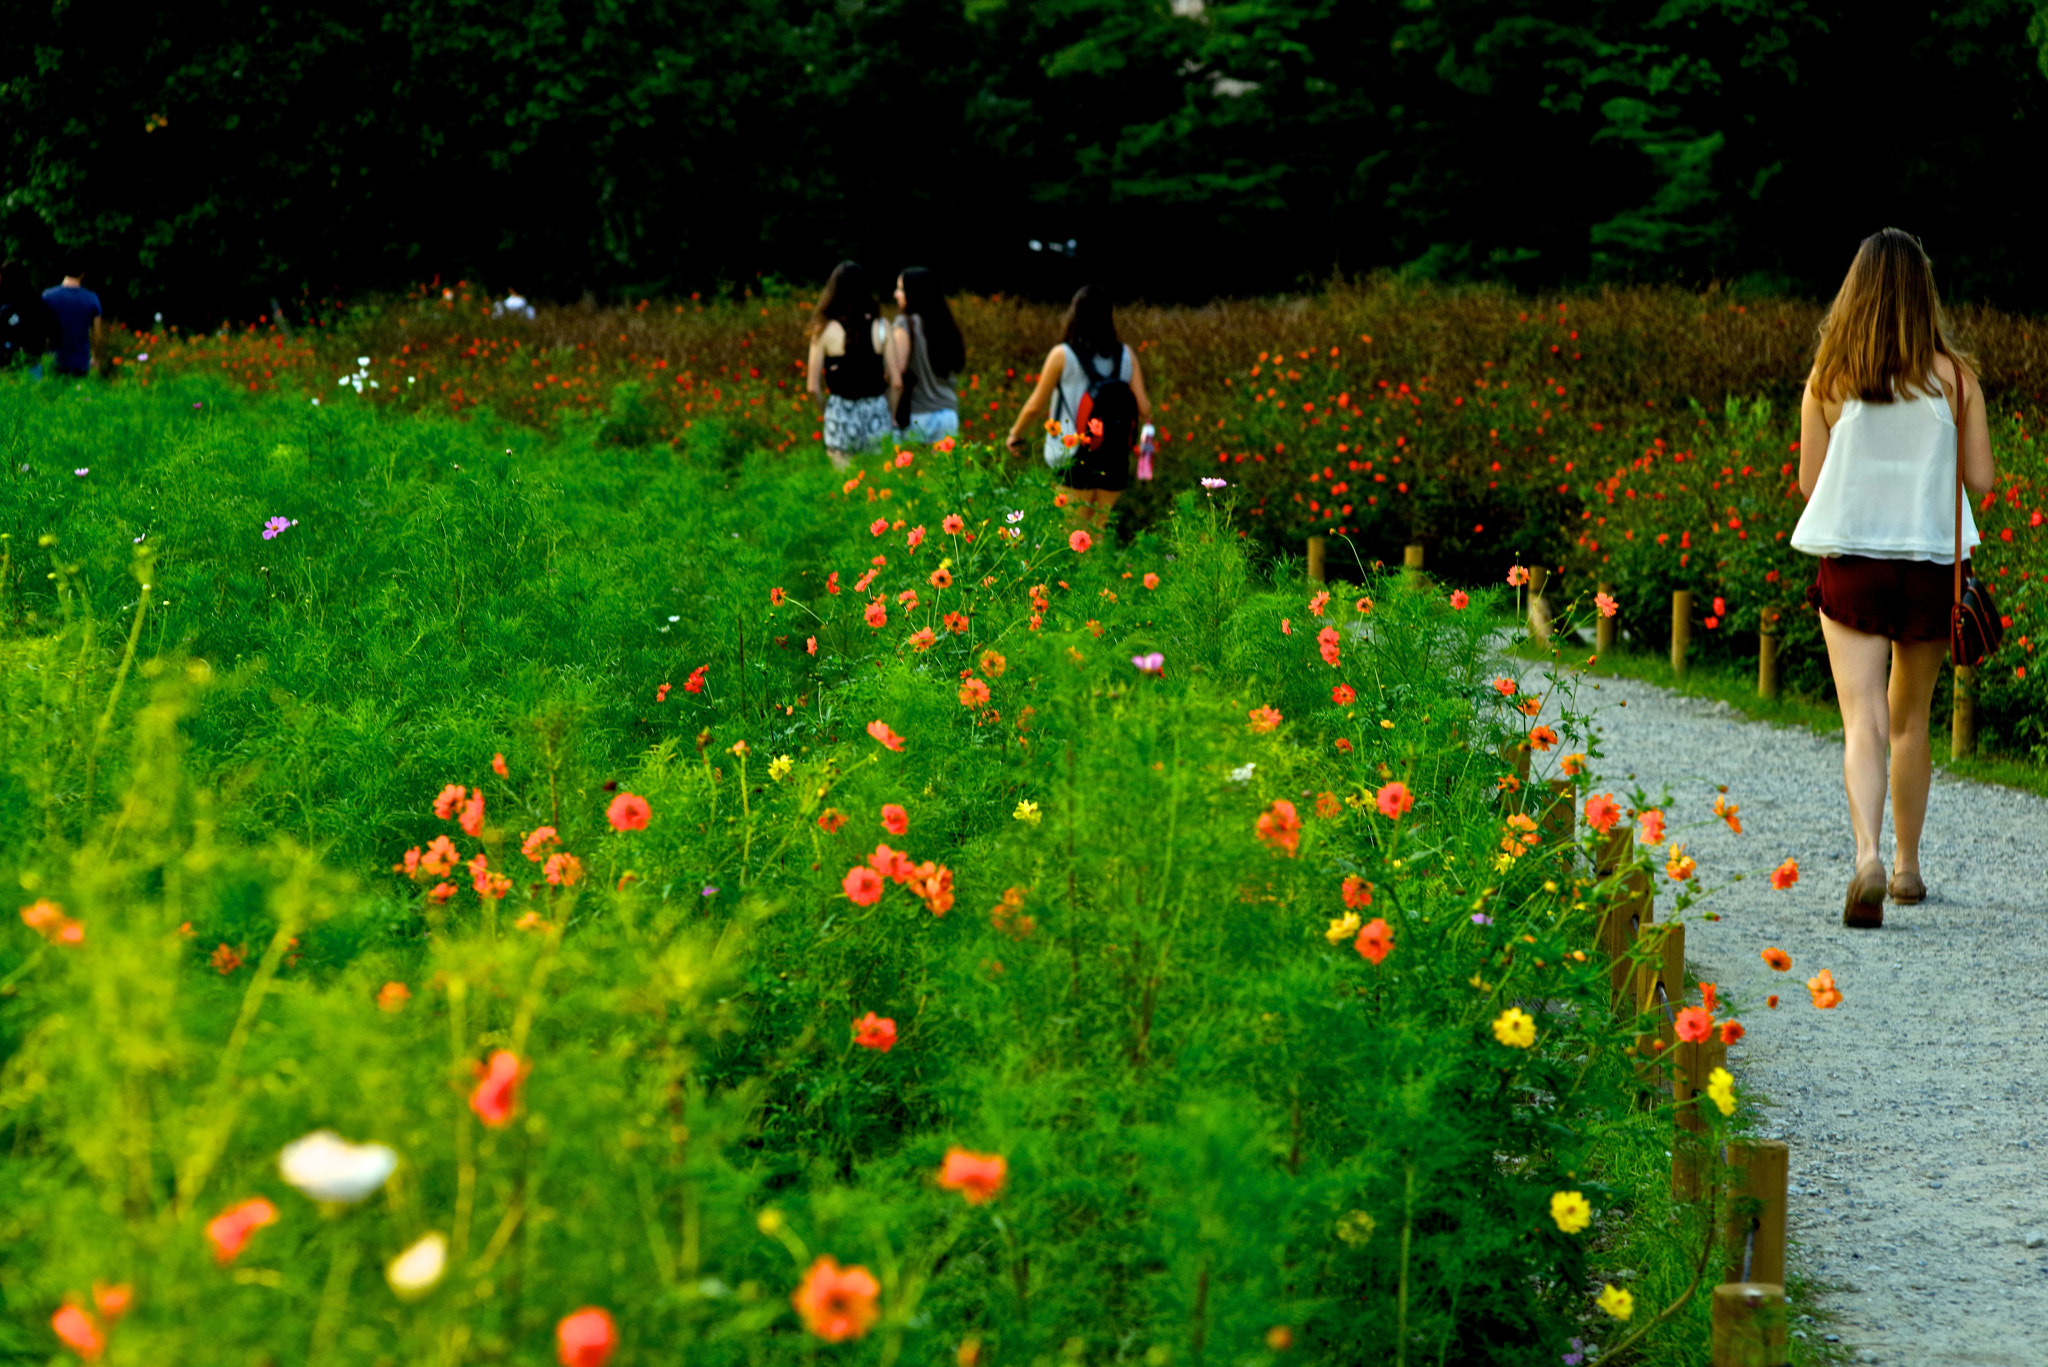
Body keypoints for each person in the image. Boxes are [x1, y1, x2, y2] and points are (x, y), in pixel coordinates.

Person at [1789, 228, 1995, 928]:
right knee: (1911, 719)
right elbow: (1981, 480)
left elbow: (1811, 482)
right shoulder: (1955, 379)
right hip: (1930, 566)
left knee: (1863, 721)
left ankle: (1868, 855)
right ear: (1923, 295)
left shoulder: (1830, 377)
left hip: (1851, 563)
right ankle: (1908, 869)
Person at [1003, 284, 1153, 529]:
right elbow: (1144, 408)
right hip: (1114, 458)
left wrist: (1015, 434)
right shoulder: (1126, 355)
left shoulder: (1062, 355)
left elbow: (1034, 406)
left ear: (1075, 314)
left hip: (1073, 457)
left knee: (1071, 535)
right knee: (1099, 532)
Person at [805, 261, 891, 469]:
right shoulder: (881, 327)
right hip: (876, 412)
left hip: (840, 412)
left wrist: (828, 411)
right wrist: (889, 411)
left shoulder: (823, 331)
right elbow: (896, 380)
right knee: (879, 483)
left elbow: (812, 387)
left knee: (844, 485)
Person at [886, 267, 964, 444]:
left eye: (900, 289)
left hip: (917, 416)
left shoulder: (904, 325)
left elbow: (897, 375)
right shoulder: (945, 325)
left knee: (911, 471)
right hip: (948, 416)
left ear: (913, 292)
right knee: (943, 472)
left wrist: (889, 416)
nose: (896, 294)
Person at [42, 261, 102, 378]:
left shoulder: (47, 296)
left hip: (53, 360)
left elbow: (41, 329)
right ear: (82, 274)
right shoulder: (91, 298)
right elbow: (97, 333)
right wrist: (95, 357)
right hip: (81, 362)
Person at [1, 260, 52, 376]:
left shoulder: (6, 307)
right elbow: (51, 331)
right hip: (33, 361)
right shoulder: (39, 304)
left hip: (9, 363)